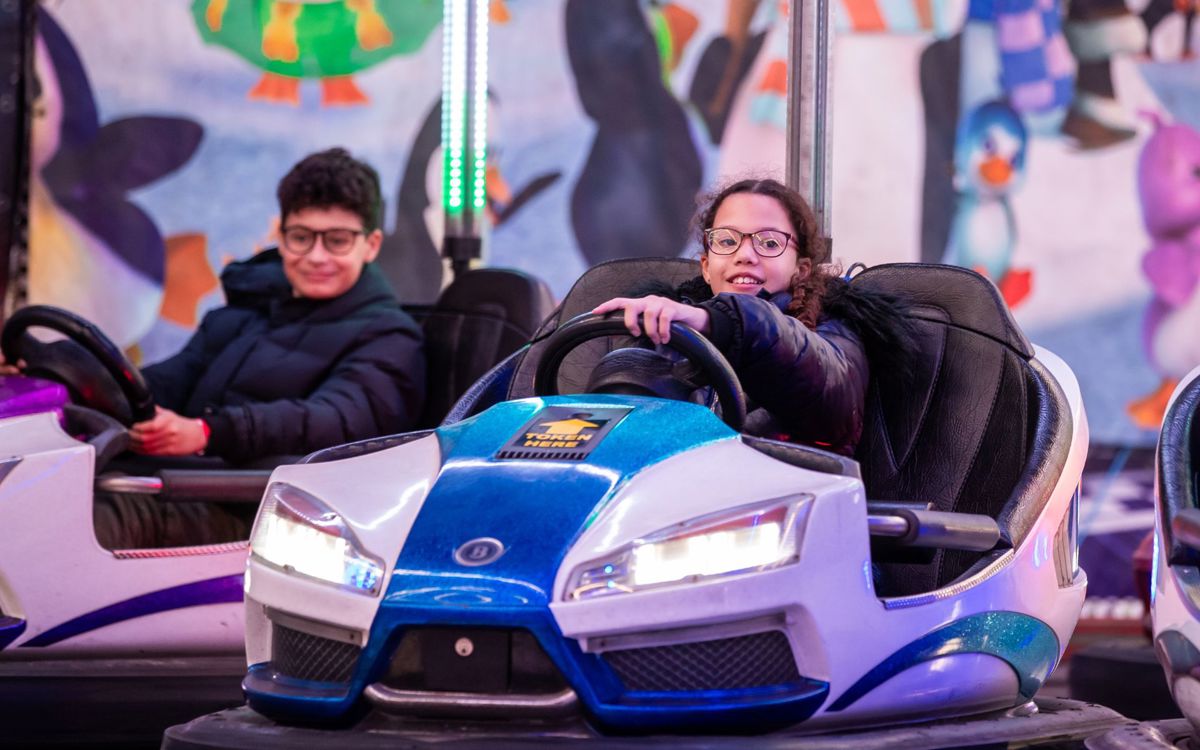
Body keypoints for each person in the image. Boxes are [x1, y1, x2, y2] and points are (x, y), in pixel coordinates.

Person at [96, 147, 426, 548]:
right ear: (281, 236)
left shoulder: (390, 336)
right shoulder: (247, 313)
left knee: (94, 522)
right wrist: (67, 373)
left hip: (273, 517)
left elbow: (335, 420)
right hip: (186, 481)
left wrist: (207, 432)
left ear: (370, 246)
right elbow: (167, 380)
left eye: (337, 241)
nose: (316, 257)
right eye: (301, 237)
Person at [593, 178, 912, 456]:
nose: (745, 255)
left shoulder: (836, 331)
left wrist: (722, 323)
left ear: (800, 270)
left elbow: (831, 398)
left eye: (769, 243)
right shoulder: (664, 336)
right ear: (706, 266)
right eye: (727, 241)